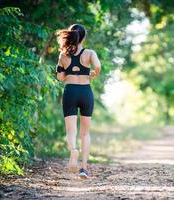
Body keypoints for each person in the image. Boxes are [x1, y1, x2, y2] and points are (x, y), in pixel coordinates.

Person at [55, 24, 101, 179]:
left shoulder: (63, 56)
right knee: (85, 133)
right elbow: (98, 67)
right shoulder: (89, 53)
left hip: (70, 92)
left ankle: (73, 150)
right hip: (85, 92)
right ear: (84, 37)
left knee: (71, 131)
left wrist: (68, 71)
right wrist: (93, 73)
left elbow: (60, 78)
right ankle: (84, 168)